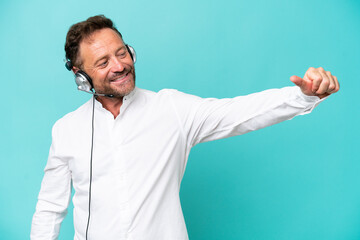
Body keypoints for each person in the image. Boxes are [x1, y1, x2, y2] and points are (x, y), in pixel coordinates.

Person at [30, 15, 339, 240]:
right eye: (102, 62)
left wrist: (303, 95)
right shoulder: (66, 130)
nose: (119, 65)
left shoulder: (172, 108)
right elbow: (49, 208)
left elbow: (241, 112)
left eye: (121, 52)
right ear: (80, 76)